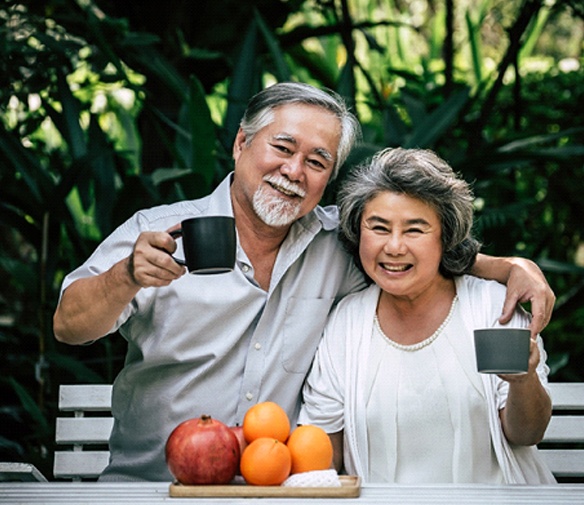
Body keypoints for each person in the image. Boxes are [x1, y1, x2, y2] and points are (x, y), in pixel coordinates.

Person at [53, 82, 555, 482]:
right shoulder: (159, 232)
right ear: (241, 144)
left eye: (317, 161)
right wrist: (127, 276)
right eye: (283, 147)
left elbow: (412, 252)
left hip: (274, 490)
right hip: (152, 486)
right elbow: (68, 326)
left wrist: (511, 268)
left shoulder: (339, 241)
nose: (294, 171)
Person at [298, 147, 555, 484]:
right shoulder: (347, 321)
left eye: (414, 230)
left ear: (445, 237)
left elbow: (527, 433)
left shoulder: (493, 306)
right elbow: (323, 444)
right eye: (378, 227)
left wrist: (524, 380)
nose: (393, 247)